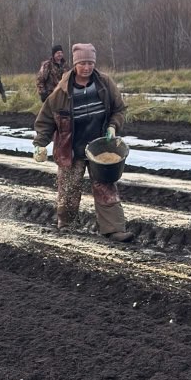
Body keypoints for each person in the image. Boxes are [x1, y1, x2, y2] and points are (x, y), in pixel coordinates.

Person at [33, 42, 134, 243]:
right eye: (83, 63)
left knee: (106, 187)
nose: (87, 67)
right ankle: (66, 225)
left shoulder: (104, 83)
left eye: (90, 63)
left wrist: (113, 126)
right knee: (68, 189)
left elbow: (119, 109)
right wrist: (40, 143)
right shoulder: (61, 91)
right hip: (71, 148)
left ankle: (113, 229)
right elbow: (46, 119)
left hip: (100, 148)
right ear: (75, 64)